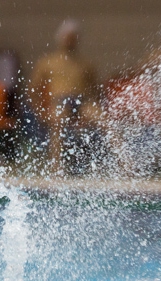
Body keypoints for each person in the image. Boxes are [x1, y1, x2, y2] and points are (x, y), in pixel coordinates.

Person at [28, 19, 99, 171]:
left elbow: (95, 92)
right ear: (60, 38)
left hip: (82, 102)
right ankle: (57, 167)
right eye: (67, 37)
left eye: (73, 37)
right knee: (58, 121)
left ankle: (125, 164)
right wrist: (40, 112)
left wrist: (86, 116)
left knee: (104, 120)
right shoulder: (47, 62)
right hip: (60, 102)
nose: (70, 40)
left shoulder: (86, 64)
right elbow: (33, 90)